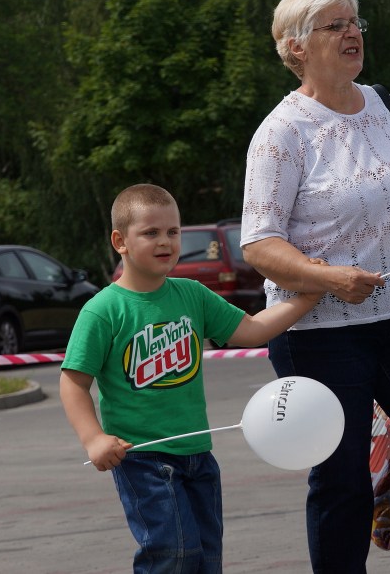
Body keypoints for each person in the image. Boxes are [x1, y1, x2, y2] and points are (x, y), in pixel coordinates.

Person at [240, 0, 390, 574]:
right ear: (296, 47)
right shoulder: (281, 134)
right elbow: (259, 245)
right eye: (335, 25)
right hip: (321, 333)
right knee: (342, 479)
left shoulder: (386, 105)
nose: (352, 33)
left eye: (355, 23)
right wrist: (327, 277)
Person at [60, 183, 323, 574]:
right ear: (121, 241)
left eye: (173, 231)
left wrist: (306, 297)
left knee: (205, 557)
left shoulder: (192, 295)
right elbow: (73, 382)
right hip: (143, 458)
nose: (164, 241)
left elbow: (251, 330)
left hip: (198, 455)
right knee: (172, 553)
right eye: (150, 233)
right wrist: (94, 438)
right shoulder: (103, 310)